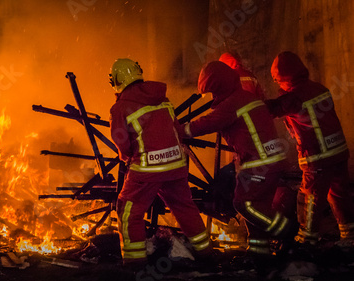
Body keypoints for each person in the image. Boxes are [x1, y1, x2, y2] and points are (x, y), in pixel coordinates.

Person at [108, 58, 212, 267]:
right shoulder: (163, 100)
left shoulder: (120, 107)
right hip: (175, 166)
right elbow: (176, 130)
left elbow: (121, 142)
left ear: (117, 81)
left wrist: (127, 156)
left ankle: (135, 263)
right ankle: (206, 253)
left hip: (146, 170)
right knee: (185, 208)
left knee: (128, 209)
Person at [184, 61, 292, 259]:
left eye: (212, 91)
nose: (213, 97)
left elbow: (210, 122)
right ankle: (260, 255)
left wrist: (180, 130)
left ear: (219, 86)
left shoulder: (233, 103)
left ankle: (287, 230)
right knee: (259, 207)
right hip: (271, 161)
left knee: (244, 204)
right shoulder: (245, 97)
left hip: (259, 164)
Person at [265, 51, 354, 247]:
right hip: (338, 152)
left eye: (278, 81)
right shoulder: (319, 88)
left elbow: (271, 109)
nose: (278, 85)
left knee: (310, 197)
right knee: (339, 195)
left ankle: (307, 240)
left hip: (318, 157)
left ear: (284, 78)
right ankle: (349, 237)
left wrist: (247, 104)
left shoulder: (295, 97)